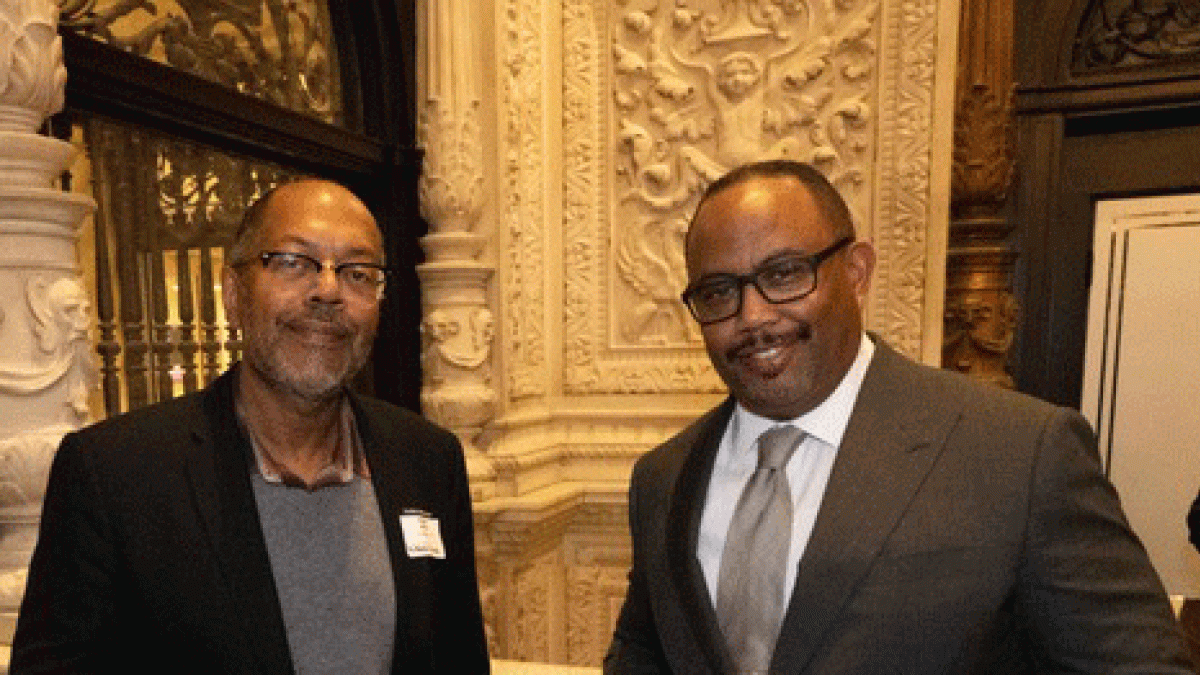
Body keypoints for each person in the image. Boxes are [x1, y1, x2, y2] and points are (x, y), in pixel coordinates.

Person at [604, 159, 1193, 674]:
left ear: (857, 272)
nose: (752, 316)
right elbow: (641, 658)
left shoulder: (1022, 454)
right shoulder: (663, 478)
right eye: (718, 293)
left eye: (784, 274)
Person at [12, 179, 490, 674]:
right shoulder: (114, 475)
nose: (328, 290)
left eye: (357, 272)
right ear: (234, 294)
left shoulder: (428, 460)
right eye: (292, 262)